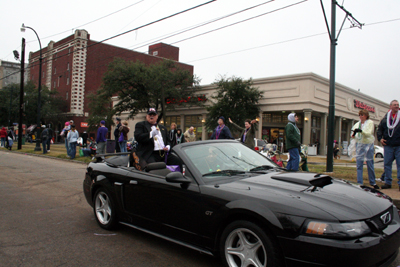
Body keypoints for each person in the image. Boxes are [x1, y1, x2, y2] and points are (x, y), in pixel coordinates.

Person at [351, 109, 379, 189]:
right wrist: (354, 134)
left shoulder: (370, 123)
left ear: (366, 116)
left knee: (370, 163)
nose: (360, 117)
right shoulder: (357, 124)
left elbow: (369, 133)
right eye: (360, 115)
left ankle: (372, 182)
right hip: (360, 145)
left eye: (362, 115)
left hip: (368, 145)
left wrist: (361, 131)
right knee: (359, 164)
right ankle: (360, 182)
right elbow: (352, 134)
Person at [377, 100, 400, 190]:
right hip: (388, 145)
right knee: (387, 164)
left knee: (399, 164)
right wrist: (380, 139)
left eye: (398, 105)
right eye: (395, 105)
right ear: (390, 106)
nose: (397, 106)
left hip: (398, 145)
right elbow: (379, 129)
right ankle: (387, 182)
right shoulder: (386, 118)